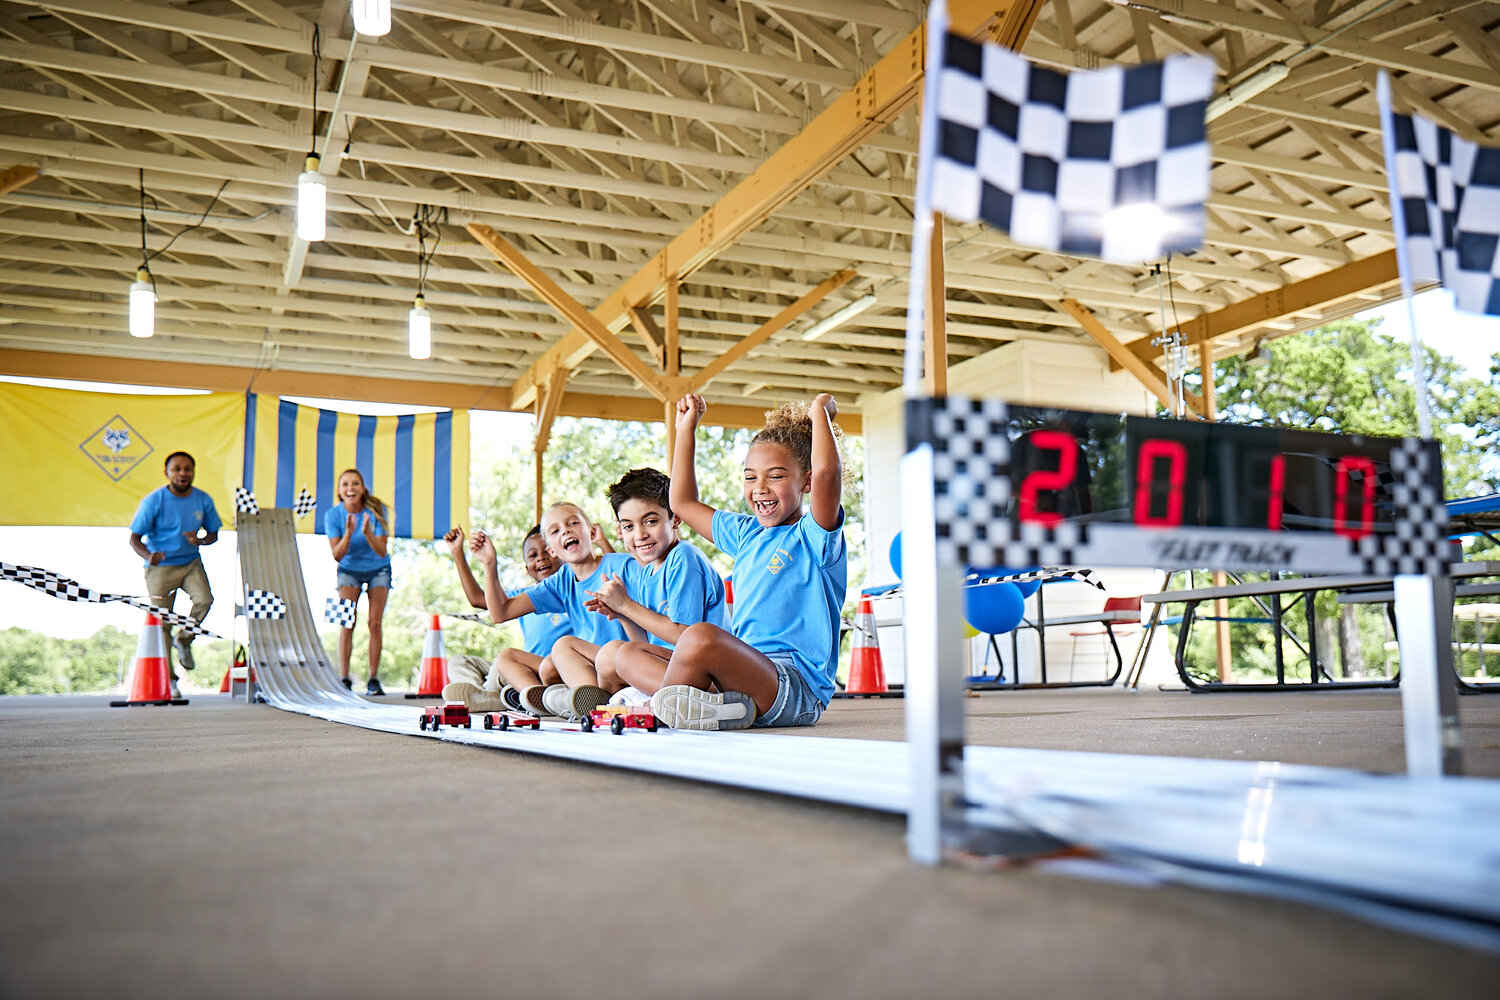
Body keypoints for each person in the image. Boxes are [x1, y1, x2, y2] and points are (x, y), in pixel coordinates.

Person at [617, 394, 846, 730]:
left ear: (806, 481)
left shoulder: (813, 535)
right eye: (750, 477)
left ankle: (660, 712)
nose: (760, 488)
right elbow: (681, 501)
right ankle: (717, 707)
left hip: (793, 688)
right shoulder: (745, 533)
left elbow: (828, 472)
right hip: (742, 676)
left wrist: (820, 410)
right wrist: (686, 430)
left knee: (698, 638)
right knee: (627, 655)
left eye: (776, 476)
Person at [471, 502, 631, 719]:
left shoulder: (622, 565)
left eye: (573, 523)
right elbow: (500, 613)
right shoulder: (561, 581)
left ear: (591, 532)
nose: (565, 530)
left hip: (621, 662)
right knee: (547, 667)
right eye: (555, 530)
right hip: (586, 665)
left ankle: (586, 704)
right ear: (552, 550)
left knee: (563, 646)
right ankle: (566, 700)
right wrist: (490, 563)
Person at [582, 467, 726, 702]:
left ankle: (704, 701)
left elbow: (684, 636)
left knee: (625, 655)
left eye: (650, 521)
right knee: (608, 656)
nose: (639, 535)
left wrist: (627, 605)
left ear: (675, 519)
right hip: (670, 666)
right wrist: (623, 614)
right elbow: (644, 644)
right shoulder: (648, 571)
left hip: (707, 672)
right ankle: (639, 700)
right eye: (628, 526)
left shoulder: (684, 558)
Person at [440, 524, 572, 713]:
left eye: (548, 551)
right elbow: (478, 599)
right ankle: (485, 695)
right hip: (522, 669)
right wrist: (457, 552)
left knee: (503, 663)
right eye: (533, 555)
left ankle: (491, 697)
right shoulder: (526, 596)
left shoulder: (571, 589)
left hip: (549, 670)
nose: (541, 558)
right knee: (459, 662)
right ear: (527, 568)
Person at [128, 451, 221, 694]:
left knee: (205, 600)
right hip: (160, 568)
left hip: (191, 563)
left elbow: (213, 534)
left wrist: (200, 540)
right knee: (162, 623)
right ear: (167, 472)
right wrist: (149, 556)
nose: (182, 473)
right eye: (177, 469)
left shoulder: (203, 499)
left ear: (193, 472)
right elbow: (134, 539)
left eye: (187, 469)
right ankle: (170, 681)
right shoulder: (154, 501)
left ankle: (185, 638)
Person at [324, 468, 392, 696]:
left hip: (378, 569)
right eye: (345, 484)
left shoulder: (376, 511)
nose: (350, 488)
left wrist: (368, 534)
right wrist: (348, 533)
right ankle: (344, 678)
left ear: (362, 489)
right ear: (339, 491)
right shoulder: (332, 516)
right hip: (348, 569)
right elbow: (337, 555)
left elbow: (382, 551)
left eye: (355, 484)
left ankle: (373, 679)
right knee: (346, 622)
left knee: (374, 623)